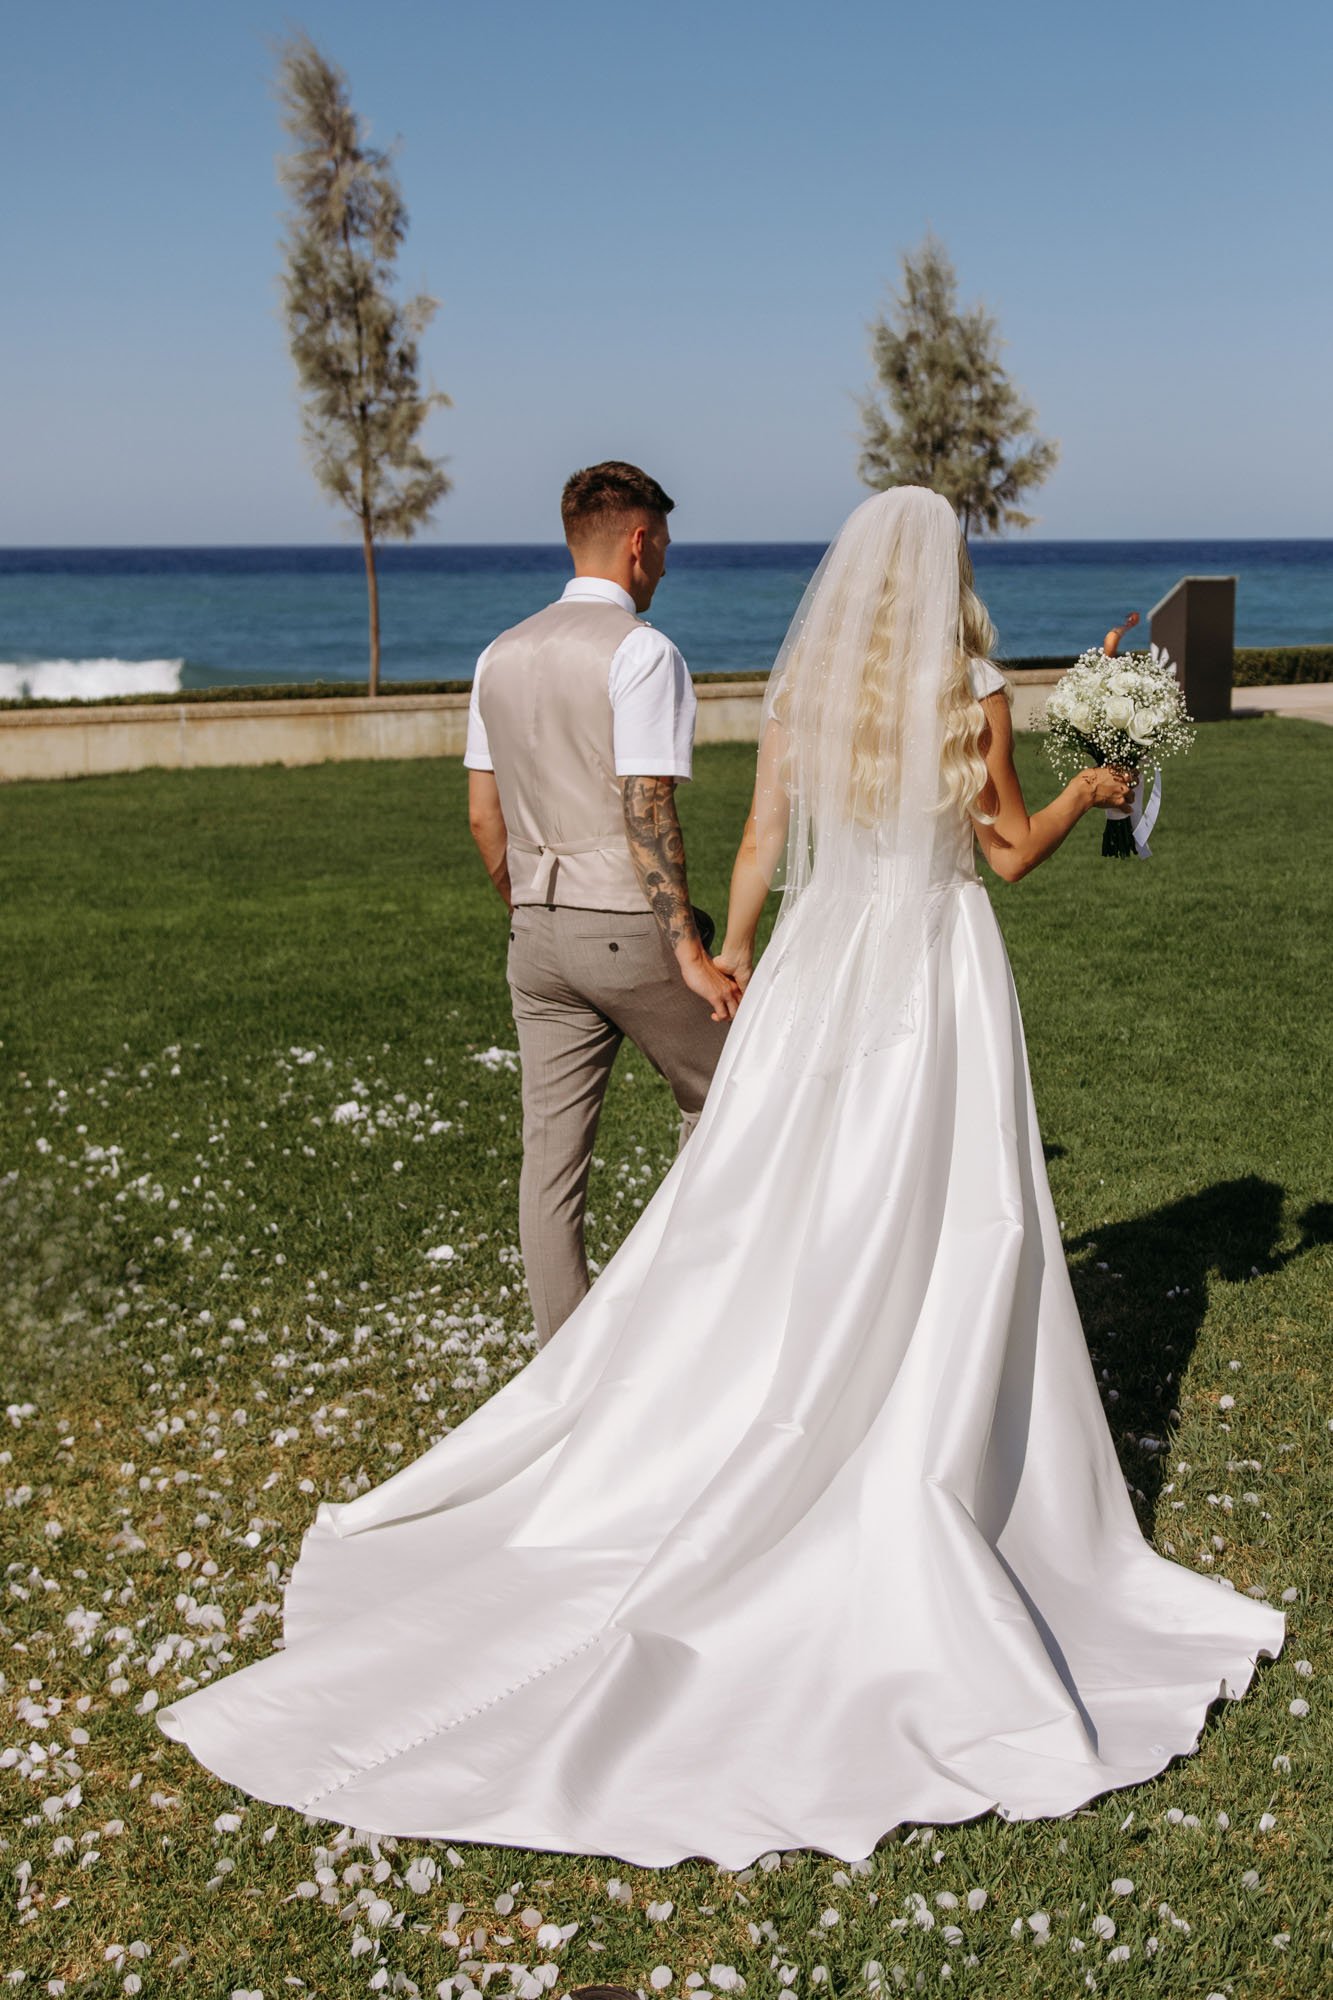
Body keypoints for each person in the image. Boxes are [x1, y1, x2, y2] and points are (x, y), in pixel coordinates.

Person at [159, 488, 1282, 1869]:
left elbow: (754, 845)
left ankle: (773, 1390)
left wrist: (736, 953)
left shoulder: (808, 685)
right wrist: (1088, 789)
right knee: (943, 1204)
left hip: (817, 962)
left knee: (784, 1201)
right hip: (930, 967)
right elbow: (1004, 857)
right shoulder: (970, 696)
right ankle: (903, 1414)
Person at [463, 461, 739, 1344]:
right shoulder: (642, 651)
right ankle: (693, 1328)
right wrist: (690, 954)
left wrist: (528, 908)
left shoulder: (497, 652)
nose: (663, 564)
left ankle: (561, 1374)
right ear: (638, 540)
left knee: (550, 1167)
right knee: (737, 1098)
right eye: (662, 546)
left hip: (533, 932)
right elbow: (646, 806)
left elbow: (482, 816)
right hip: (626, 928)